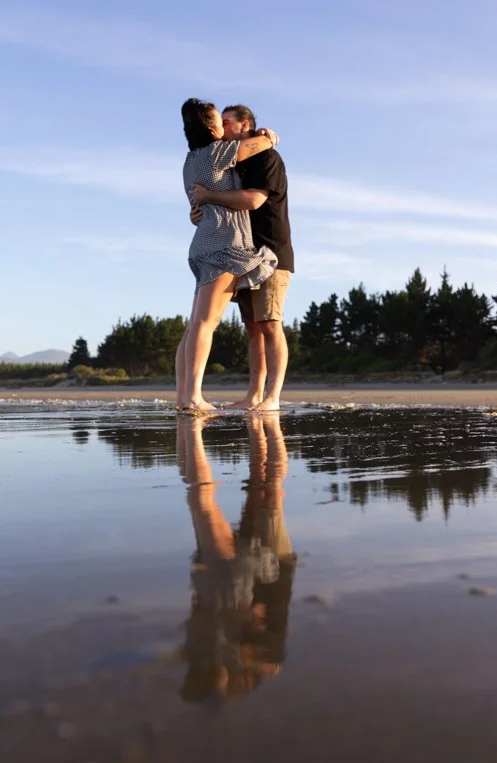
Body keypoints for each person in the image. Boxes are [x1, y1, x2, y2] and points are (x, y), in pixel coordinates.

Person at [175, 414, 295, 704]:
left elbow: (202, 610)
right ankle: (261, 426)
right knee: (266, 492)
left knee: (259, 492)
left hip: (240, 578)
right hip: (268, 574)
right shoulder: (259, 660)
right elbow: (270, 621)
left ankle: (198, 430)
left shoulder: (215, 652)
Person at [176, 98, 279, 414]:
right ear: (211, 127)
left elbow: (198, 204)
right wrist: (268, 134)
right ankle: (193, 397)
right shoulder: (217, 153)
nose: (223, 125)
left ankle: (184, 396)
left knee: (195, 324)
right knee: (206, 323)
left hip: (202, 246)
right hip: (225, 245)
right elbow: (266, 142)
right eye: (219, 121)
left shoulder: (190, 160)